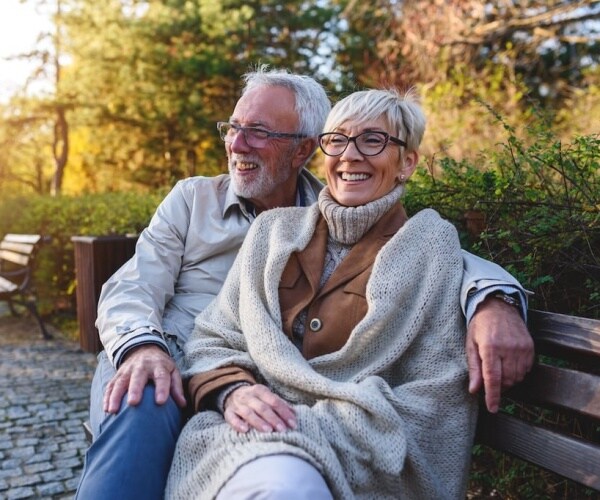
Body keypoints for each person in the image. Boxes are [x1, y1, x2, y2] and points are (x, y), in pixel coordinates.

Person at [76, 67, 532, 500]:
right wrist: (144, 349)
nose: (238, 143)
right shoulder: (197, 200)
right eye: (232, 127)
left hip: (261, 395)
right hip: (171, 358)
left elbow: (432, 251)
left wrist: (495, 300)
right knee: (142, 397)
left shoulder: (335, 209)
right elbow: (132, 288)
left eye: (258, 131)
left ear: (302, 150)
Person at [166, 87, 490, 499]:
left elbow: (436, 391)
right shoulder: (272, 232)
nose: (350, 155)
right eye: (337, 140)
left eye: (373, 140)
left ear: (407, 162)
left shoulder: (430, 246)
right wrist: (235, 390)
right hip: (243, 435)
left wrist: (304, 425)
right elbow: (215, 336)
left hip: (355, 449)